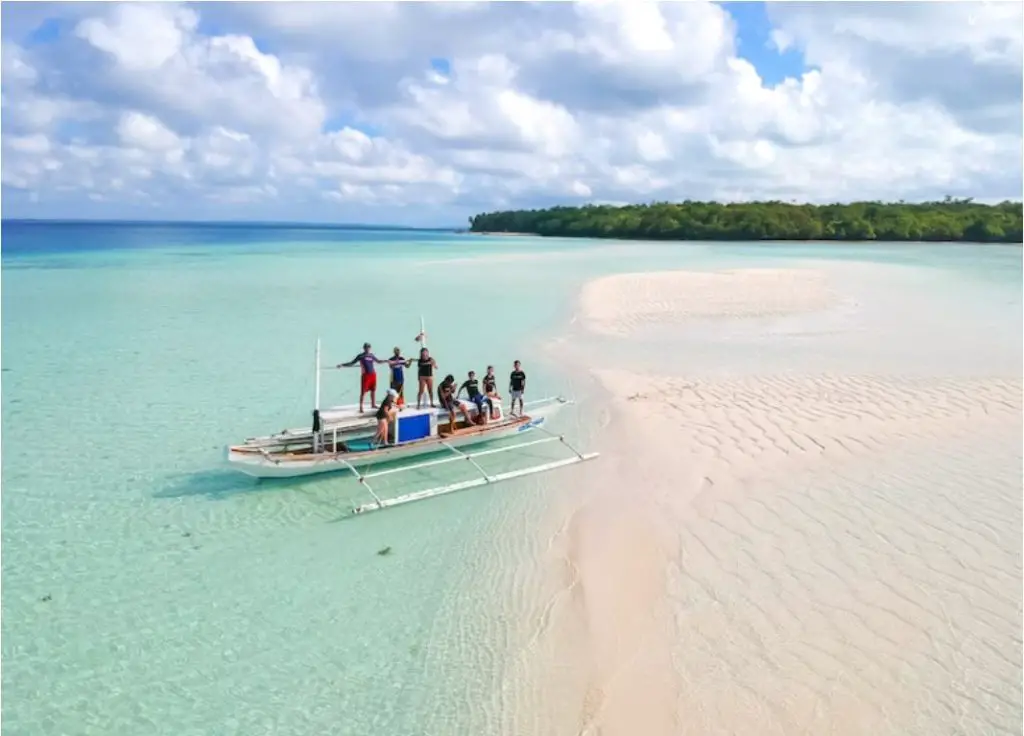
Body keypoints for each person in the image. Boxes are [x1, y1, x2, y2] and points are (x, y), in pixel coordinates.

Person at [338, 342, 387, 413]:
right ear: (364, 348)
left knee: (373, 390)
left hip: (373, 374)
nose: (367, 348)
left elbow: (378, 361)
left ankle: (373, 404)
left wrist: (385, 361)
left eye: (369, 347)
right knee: (363, 391)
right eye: (366, 347)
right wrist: (342, 365)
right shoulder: (361, 356)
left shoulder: (371, 355)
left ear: (370, 348)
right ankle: (361, 407)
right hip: (365, 375)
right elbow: (352, 363)